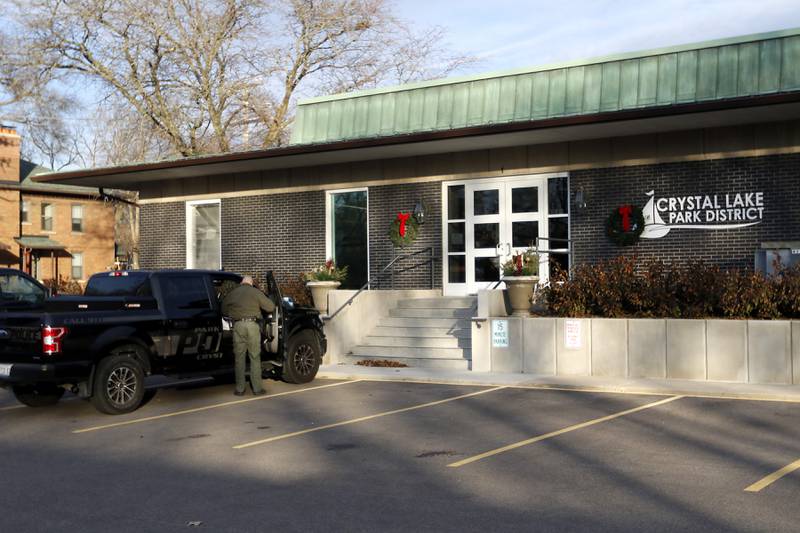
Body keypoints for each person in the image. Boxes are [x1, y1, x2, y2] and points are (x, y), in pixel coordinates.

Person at [221, 276, 276, 396]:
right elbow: (271, 307)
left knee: (239, 358)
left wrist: (234, 314)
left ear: (242, 282)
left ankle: (240, 389)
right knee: (254, 357)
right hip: (252, 326)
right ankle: (257, 389)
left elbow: (224, 309)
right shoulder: (256, 292)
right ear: (251, 283)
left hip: (238, 326)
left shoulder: (233, 293)